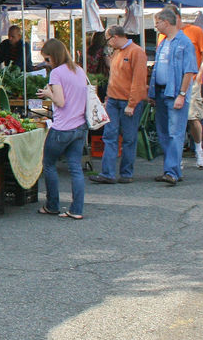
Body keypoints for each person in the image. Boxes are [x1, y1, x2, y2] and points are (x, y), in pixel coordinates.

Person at [35, 38, 88, 219]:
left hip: (62, 128)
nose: (46, 63)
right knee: (75, 168)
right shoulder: (79, 70)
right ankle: (76, 210)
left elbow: (60, 101)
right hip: (80, 127)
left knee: (49, 164)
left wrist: (48, 93)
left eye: (47, 59)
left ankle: (52, 205)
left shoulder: (56, 73)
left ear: (54, 57)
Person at [90, 26, 148, 185]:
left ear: (115, 37)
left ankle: (126, 173)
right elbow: (114, 78)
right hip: (114, 101)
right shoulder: (117, 53)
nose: (108, 44)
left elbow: (139, 80)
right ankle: (107, 173)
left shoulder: (136, 52)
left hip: (128, 101)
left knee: (129, 138)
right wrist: (108, 97)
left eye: (108, 40)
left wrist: (132, 103)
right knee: (109, 136)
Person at [158, 6, 203, 168]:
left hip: (191, 82)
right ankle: (176, 160)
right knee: (172, 124)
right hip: (170, 84)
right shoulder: (163, 36)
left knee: (192, 118)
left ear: (175, 18)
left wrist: (199, 75)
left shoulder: (193, 32)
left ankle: (198, 148)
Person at [148, 10, 198, 186]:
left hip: (175, 93)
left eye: (157, 23)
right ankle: (171, 169)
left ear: (166, 22)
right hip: (161, 92)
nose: (156, 26)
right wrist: (152, 94)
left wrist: (182, 95)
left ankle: (172, 171)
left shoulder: (184, 42)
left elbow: (189, 70)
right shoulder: (163, 42)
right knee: (164, 133)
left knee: (175, 133)